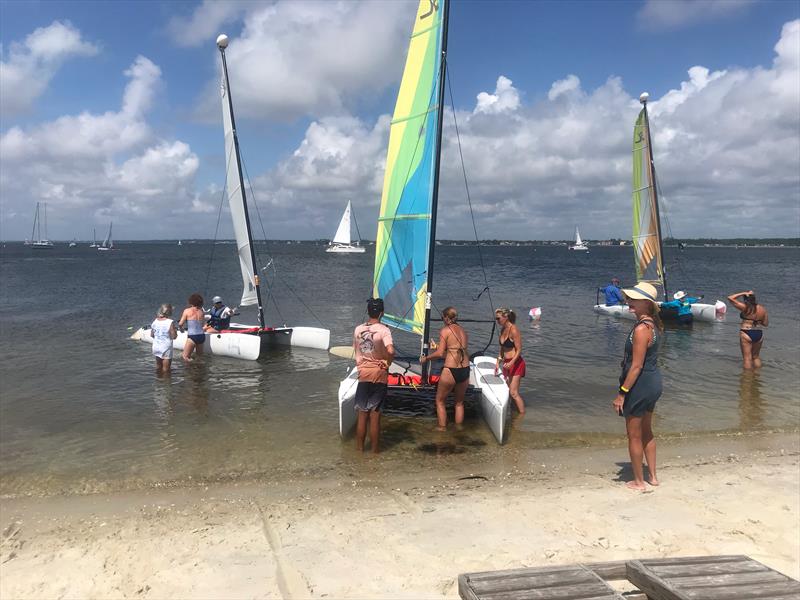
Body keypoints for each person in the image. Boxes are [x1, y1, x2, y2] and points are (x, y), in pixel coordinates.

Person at [612, 281, 663, 491]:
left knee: (634, 435)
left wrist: (622, 393)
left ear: (647, 304)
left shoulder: (642, 329)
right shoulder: (654, 326)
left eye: (634, 299)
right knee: (647, 430)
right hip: (653, 382)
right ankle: (652, 476)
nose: (629, 302)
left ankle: (639, 481)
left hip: (640, 385)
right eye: (629, 298)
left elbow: (636, 366)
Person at [352, 298, 395, 453]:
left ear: (368, 311)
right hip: (378, 374)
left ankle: (359, 451)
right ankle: (375, 453)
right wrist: (387, 363)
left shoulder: (358, 330)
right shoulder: (384, 330)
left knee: (362, 415)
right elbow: (390, 350)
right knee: (375, 416)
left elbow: (357, 350)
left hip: (363, 374)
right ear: (382, 313)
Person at [420, 306, 470, 431]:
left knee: (440, 401)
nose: (442, 320)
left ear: (447, 318)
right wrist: (437, 345)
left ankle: (442, 429)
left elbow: (440, 354)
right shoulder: (463, 331)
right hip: (465, 368)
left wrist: (426, 358)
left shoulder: (445, 330)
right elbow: (454, 347)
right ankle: (459, 430)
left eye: (443, 318)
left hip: (450, 369)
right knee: (459, 403)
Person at [494, 308, 525, 415]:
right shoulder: (503, 329)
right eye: (496, 318)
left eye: (498, 318)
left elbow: (519, 349)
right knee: (508, 391)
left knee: (513, 392)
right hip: (506, 363)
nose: (496, 320)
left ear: (505, 317)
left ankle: (522, 416)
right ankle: (512, 413)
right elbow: (502, 348)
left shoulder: (514, 330)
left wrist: (512, 362)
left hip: (516, 363)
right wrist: (498, 361)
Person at [727, 290, 769, 369]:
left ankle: (747, 378)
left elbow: (730, 298)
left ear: (746, 299)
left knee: (747, 358)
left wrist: (743, 293)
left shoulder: (745, 307)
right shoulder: (763, 309)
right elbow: (765, 324)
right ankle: (757, 374)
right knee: (756, 357)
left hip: (747, 332)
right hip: (759, 333)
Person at [150, 303, 177, 375]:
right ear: (169, 312)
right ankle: (166, 384)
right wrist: (175, 331)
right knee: (166, 370)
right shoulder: (170, 322)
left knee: (158, 367)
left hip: (156, 346)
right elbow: (174, 336)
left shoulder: (155, 321)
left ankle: (158, 381)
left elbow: (152, 335)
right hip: (165, 348)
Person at [179, 293, 206, 361]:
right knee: (199, 357)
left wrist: (181, 329)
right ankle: (199, 369)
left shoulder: (187, 311)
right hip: (201, 336)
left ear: (191, 302)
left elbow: (180, 323)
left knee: (185, 357)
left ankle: (190, 369)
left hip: (192, 336)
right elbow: (202, 325)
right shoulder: (201, 312)